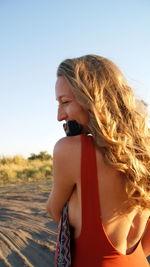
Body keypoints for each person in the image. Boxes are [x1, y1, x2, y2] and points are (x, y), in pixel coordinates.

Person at [47, 55, 150, 266]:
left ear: (93, 98)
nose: (59, 116)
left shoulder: (71, 149)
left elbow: (54, 210)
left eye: (65, 102)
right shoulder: (144, 150)